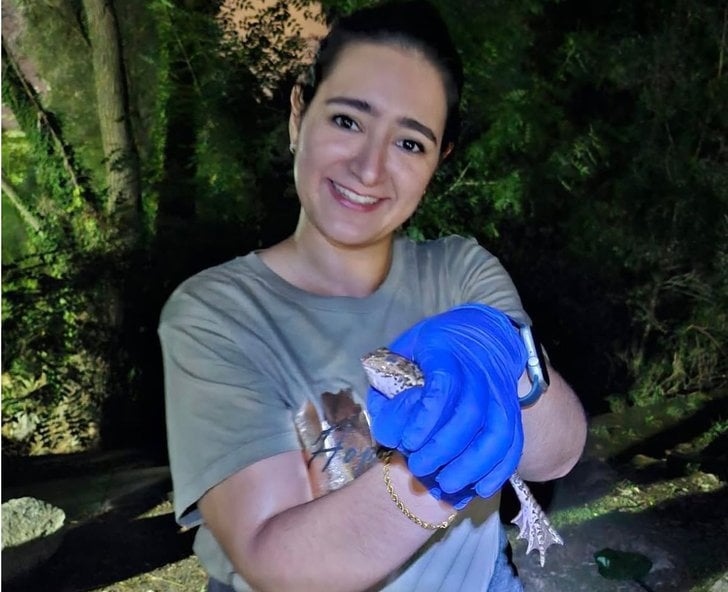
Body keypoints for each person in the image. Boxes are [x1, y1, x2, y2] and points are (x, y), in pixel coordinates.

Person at [158, 2, 587, 591]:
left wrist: (504, 353)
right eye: (347, 120)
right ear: (298, 113)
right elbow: (276, 564)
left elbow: (557, 454)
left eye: (409, 143)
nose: (368, 168)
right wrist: (436, 476)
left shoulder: (460, 271)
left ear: (439, 161)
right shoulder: (213, 313)